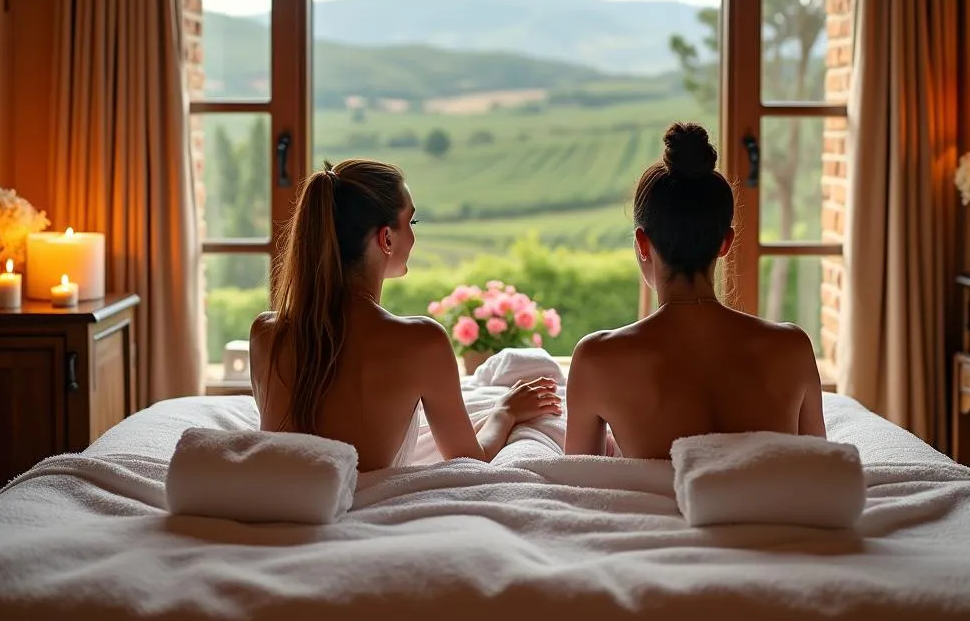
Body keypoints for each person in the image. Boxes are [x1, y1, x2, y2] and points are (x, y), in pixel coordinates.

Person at [250, 159, 561, 472]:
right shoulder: (421, 343)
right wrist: (504, 413)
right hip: (360, 514)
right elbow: (469, 460)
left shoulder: (264, 334)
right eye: (411, 223)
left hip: (286, 508)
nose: (413, 237)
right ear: (386, 239)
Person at [564, 123, 826, 459]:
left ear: (643, 244)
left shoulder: (596, 359)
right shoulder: (793, 348)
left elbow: (578, 481)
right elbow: (819, 469)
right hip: (768, 512)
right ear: (726, 243)